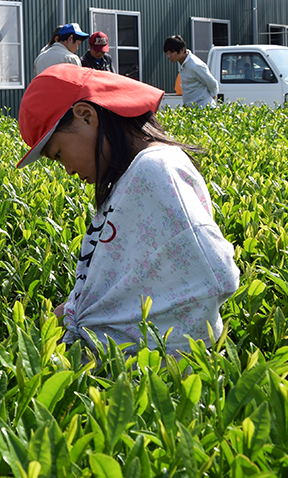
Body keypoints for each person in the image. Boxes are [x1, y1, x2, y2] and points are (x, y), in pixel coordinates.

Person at [16, 64, 240, 354]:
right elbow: (103, 287)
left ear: (86, 116)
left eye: (59, 154)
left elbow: (216, 272)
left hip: (156, 378)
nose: (68, 170)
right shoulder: (131, 177)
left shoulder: (155, 169)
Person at [163, 35, 218, 107]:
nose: (169, 56)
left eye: (171, 53)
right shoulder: (181, 62)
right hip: (191, 109)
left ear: (182, 50)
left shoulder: (195, 65)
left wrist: (213, 96)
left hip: (203, 109)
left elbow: (212, 83)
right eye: (167, 53)